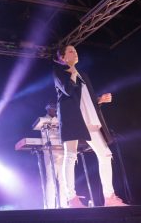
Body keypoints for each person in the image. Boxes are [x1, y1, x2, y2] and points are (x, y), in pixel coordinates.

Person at [53, 45, 127, 208]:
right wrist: (72, 72)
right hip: (72, 119)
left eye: (75, 50)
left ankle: (109, 197)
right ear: (63, 58)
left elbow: (89, 99)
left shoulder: (83, 75)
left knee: (106, 155)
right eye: (71, 51)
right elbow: (67, 90)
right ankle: (71, 198)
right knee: (70, 156)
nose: (75, 52)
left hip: (90, 119)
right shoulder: (59, 73)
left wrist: (100, 99)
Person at [40, 102, 67, 209]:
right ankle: (49, 207)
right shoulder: (42, 120)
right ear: (47, 108)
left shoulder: (60, 119)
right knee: (51, 180)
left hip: (61, 151)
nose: (54, 110)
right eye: (51, 108)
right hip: (49, 152)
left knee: (63, 180)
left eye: (55, 108)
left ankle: (64, 205)